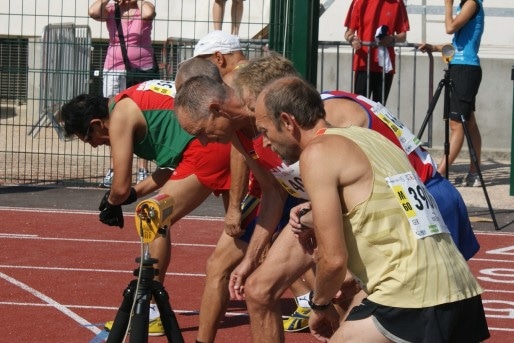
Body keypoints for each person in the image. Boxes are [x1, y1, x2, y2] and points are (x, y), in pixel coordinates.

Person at [252, 76, 489, 342]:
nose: (265, 143)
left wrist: (319, 306)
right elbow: (382, 197)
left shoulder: (317, 153)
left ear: (287, 122)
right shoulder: (372, 138)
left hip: (411, 295)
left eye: (264, 131)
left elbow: (333, 260)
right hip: (458, 285)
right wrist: (312, 212)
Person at [59, 79, 232, 336]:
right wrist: (130, 196)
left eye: (88, 138)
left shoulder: (119, 118)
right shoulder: (129, 102)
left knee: (154, 217)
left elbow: (119, 185)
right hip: (213, 141)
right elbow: (168, 169)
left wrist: (112, 201)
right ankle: (304, 297)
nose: (94, 145)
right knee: (248, 231)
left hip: (208, 146)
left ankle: (149, 308)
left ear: (96, 123)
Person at [88, 0, 156, 187]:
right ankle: (114, 169)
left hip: (141, 68)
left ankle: (143, 169)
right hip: (114, 68)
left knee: (144, 116)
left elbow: (149, 13)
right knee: (112, 117)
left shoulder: (143, 7)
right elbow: (93, 12)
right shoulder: (111, 9)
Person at [418, 0, 484, 187]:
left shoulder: (471, 3)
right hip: (461, 66)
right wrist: (434, 47)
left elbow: (450, 27)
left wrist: (447, 5)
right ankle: (475, 172)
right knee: (469, 122)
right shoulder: (466, 5)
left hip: (465, 69)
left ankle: (438, 175)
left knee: (457, 125)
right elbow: (459, 44)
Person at [344, 0, 410, 104]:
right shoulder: (359, 1)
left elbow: (403, 35)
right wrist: (352, 39)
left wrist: (392, 38)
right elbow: (348, 32)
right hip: (363, 64)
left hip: (385, 67)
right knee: (360, 107)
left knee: (380, 110)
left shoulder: (397, 2)